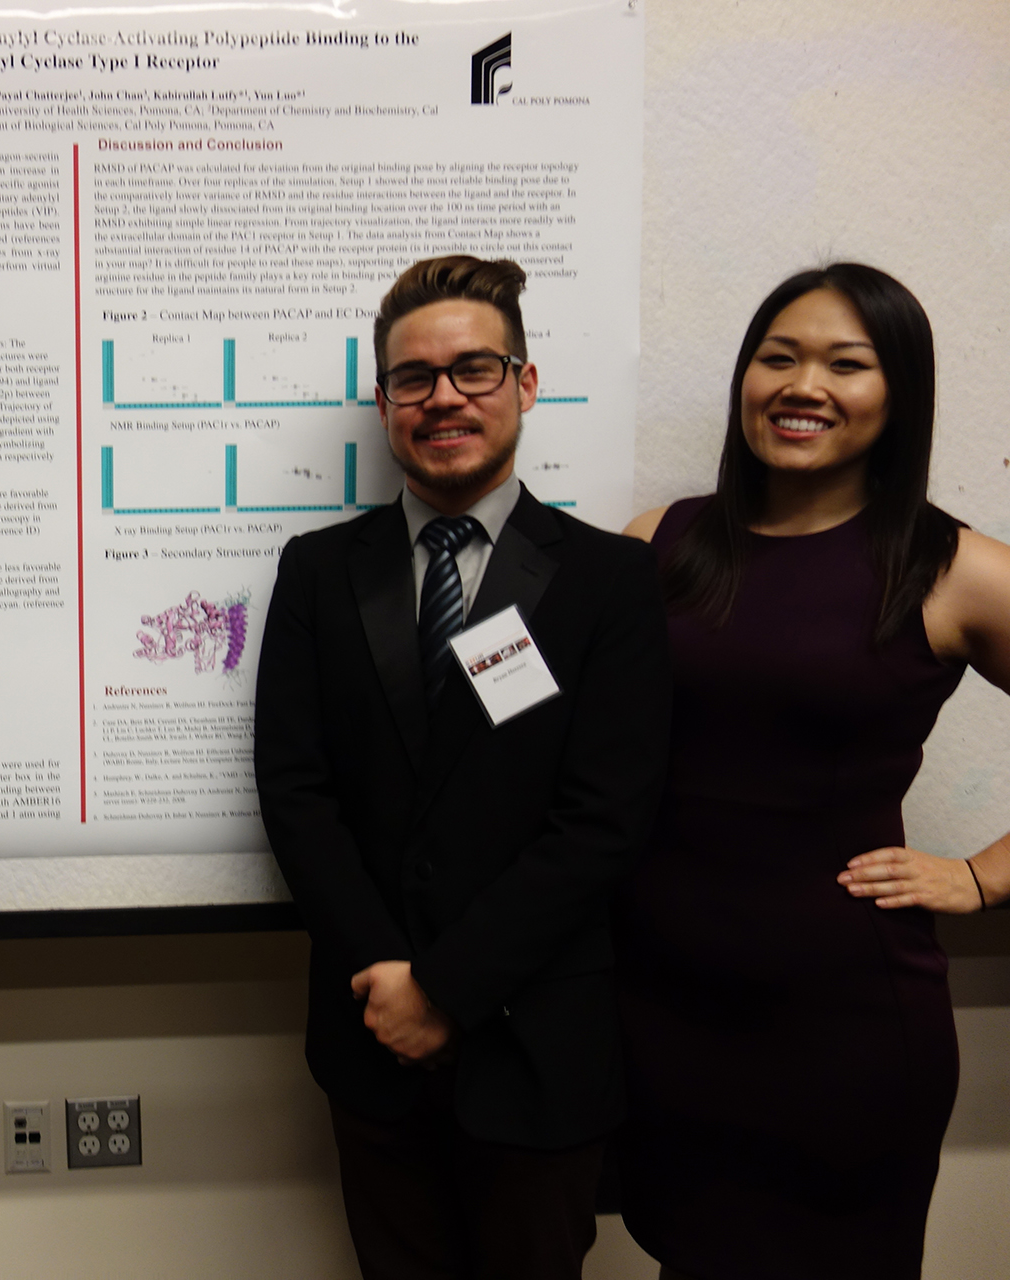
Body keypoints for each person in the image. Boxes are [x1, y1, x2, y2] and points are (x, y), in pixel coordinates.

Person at [254, 255, 672, 1280]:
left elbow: (605, 819)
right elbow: (296, 794)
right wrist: (392, 986)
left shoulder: (610, 581)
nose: (443, 395)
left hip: (541, 1045)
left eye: (474, 369)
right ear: (387, 400)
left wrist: (444, 986)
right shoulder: (317, 572)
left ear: (525, 384)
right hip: (371, 1037)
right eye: (414, 376)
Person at [614, 263, 1010, 1280]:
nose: (803, 384)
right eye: (778, 356)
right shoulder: (664, 539)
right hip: (665, 1012)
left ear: (901, 390)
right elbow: (548, 721)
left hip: (843, 1032)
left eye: (847, 362)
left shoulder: (955, 568)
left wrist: (980, 874)